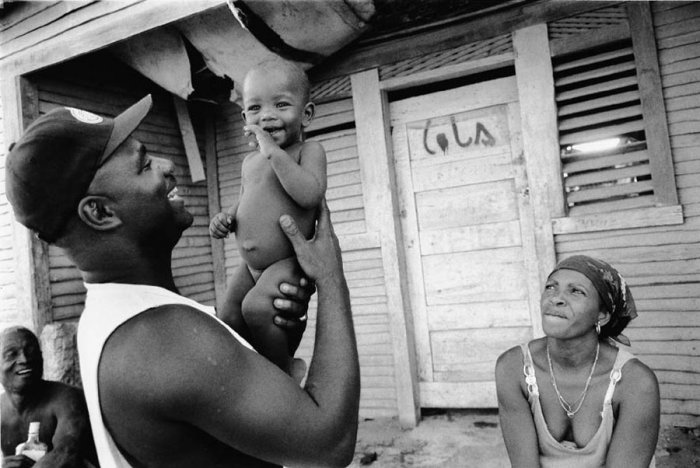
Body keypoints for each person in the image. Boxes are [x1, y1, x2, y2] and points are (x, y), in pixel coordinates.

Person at [5, 95, 360, 468]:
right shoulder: (161, 341)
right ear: (100, 212)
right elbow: (330, 442)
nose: (168, 164)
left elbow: (218, 395)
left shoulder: (119, 313)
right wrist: (331, 275)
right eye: (144, 164)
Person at [209, 58, 326, 374]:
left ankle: (283, 371)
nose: (268, 116)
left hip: (286, 261)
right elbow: (248, 200)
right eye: (256, 109)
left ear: (306, 114)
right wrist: (227, 217)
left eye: (282, 105)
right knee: (229, 316)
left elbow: (310, 194)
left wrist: (273, 152)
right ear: (245, 117)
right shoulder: (249, 162)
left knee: (257, 308)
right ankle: (251, 374)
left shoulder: (308, 151)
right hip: (250, 266)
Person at [495, 255, 659, 468]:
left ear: (602, 315)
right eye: (551, 287)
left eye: (576, 291)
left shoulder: (635, 382)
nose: (556, 298)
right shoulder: (513, 368)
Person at [1, 326, 98, 468]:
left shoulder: (67, 399)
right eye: (11, 354)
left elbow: (66, 453)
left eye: (31, 351)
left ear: (41, 357)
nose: (24, 359)